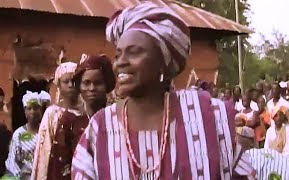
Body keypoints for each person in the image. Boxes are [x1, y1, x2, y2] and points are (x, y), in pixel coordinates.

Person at [72, 2, 254, 180]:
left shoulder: (208, 117)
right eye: (118, 55)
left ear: (163, 62)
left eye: (134, 52)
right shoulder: (100, 128)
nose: (120, 63)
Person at [45, 55, 116, 180]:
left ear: (107, 85)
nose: (92, 88)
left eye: (98, 83)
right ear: (79, 86)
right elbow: (59, 168)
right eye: (86, 83)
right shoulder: (69, 123)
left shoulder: (117, 121)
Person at [31, 62, 79, 180]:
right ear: (59, 85)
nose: (70, 85)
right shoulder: (52, 113)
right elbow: (44, 149)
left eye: (73, 81)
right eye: (65, 81)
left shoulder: (86, 113)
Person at [4, 91, 47, 179]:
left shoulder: (46, 133)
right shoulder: (18, 134)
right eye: (29, 108)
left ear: (41, 110)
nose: (33, 112)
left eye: (36, 108)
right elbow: (12, 161)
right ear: (25, 112)